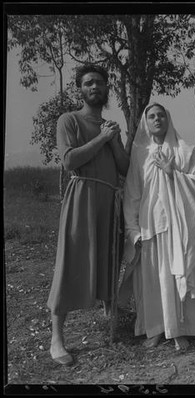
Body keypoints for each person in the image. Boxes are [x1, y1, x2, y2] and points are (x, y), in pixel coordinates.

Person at [46, 64, 129, 366]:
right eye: (88, 83)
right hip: (82, 197)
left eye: (100, 83)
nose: (94, 87)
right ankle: (57, 337)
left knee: (108, 261)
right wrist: (102, 140)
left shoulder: (110, 126)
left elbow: (124, 168)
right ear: (80, 89)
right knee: (70, 263)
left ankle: (111, 322)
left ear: (107, 89)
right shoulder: (69, 120)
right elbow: (69, 161)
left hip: (108, 199)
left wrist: (115, 140)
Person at [122, 103, 195, 349]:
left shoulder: (183, 149)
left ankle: (180, 328)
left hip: (178, 224)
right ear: (146, 122)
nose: (157, 119)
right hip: (150, 222)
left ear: (168, 118)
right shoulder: (140, 153)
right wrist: (133, 229)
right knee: (152, 277)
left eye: (161, 115)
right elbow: (132, 193)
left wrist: (174, 173)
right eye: (151, 116)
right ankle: (155, 328)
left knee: (176, 273)